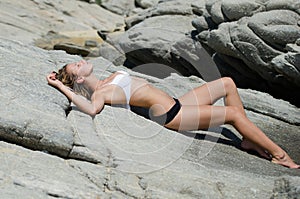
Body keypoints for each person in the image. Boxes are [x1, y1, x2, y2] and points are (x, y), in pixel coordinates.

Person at [46, 60, 299, 169]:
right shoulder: (101, 93)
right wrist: (60, 86)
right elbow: (91, 108)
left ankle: (248, 138)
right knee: (231, 114)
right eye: (77, 65)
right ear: (79, 77)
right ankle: (279, 156)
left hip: (177, 102)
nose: (81, 61)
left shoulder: (109, 77)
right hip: (173, 116)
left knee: (227, 83)